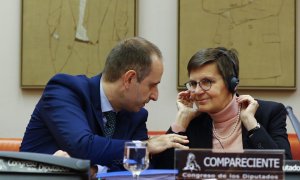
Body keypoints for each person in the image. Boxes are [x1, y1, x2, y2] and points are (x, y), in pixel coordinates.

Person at [20, 37, 189, 171]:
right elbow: (83, 145)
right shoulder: (65, 90)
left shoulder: (136, 115)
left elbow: (139, 168)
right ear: (129, 79)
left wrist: (95, 169)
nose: (155, 96)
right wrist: (144, 146)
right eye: (152, 85)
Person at [153, 47, 292, 169]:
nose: (197, 91)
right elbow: (162, 171)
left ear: (232, 84)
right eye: (193, 84)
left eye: (207, 82)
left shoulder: (269, 113)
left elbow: (286, 169)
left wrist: (251, 123)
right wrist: (181, 119)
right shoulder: (194, 122)